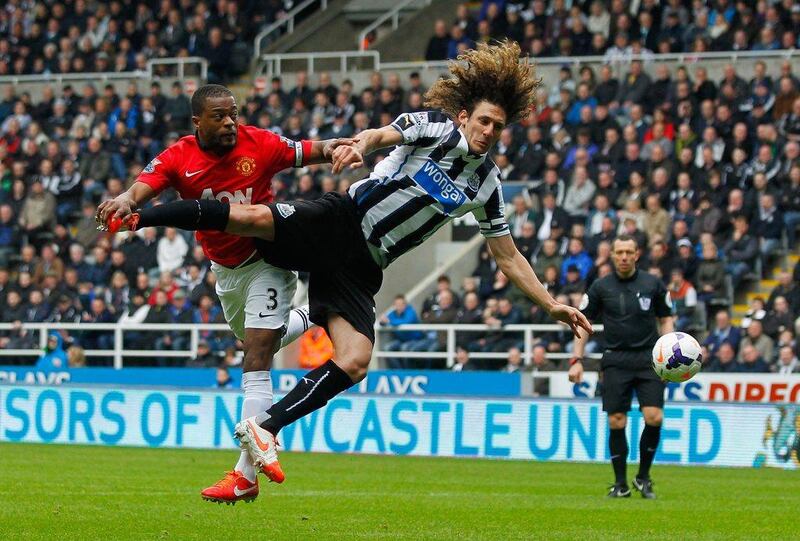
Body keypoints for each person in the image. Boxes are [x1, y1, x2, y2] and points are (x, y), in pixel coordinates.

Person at [107, 42, 592, 485]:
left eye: (497, 127)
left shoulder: (487, 185)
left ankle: (264, 429)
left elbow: (507, 255)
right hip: (342, 219)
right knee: (249, 216)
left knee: (356, 359)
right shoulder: (436, 129)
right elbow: (385, 133)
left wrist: (551, 305)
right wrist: (360, 145)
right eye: (483, 121)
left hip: (365, 265)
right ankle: (141, 220)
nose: (489, 132)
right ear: (465, 116)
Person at [95, 84, 352, 504]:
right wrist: (126, 199)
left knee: (256, 355)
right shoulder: (180, 156)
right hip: (225, 271)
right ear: (198, 121)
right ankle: (311, 316)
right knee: (248, 339)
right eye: (220, 116)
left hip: (270, 258)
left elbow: (310, 149)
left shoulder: (260, 144)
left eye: (233, 113)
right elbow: (145, 184)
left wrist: (346, 146)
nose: (230, 122)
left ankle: (245, 474)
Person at [569, 235, 674, 499]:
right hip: (615, 360)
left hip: (649, 360)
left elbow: (666, 319)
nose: (624, 257)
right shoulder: (600, 287)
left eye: (629, 252)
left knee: (654, 417)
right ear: (613, 255)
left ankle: (643, 477)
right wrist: (576, 360)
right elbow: (582, 323)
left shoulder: (653, 284)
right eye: (619, 252)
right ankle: (620, 484)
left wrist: (668, 355)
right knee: (617, 421)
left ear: (637, 254)